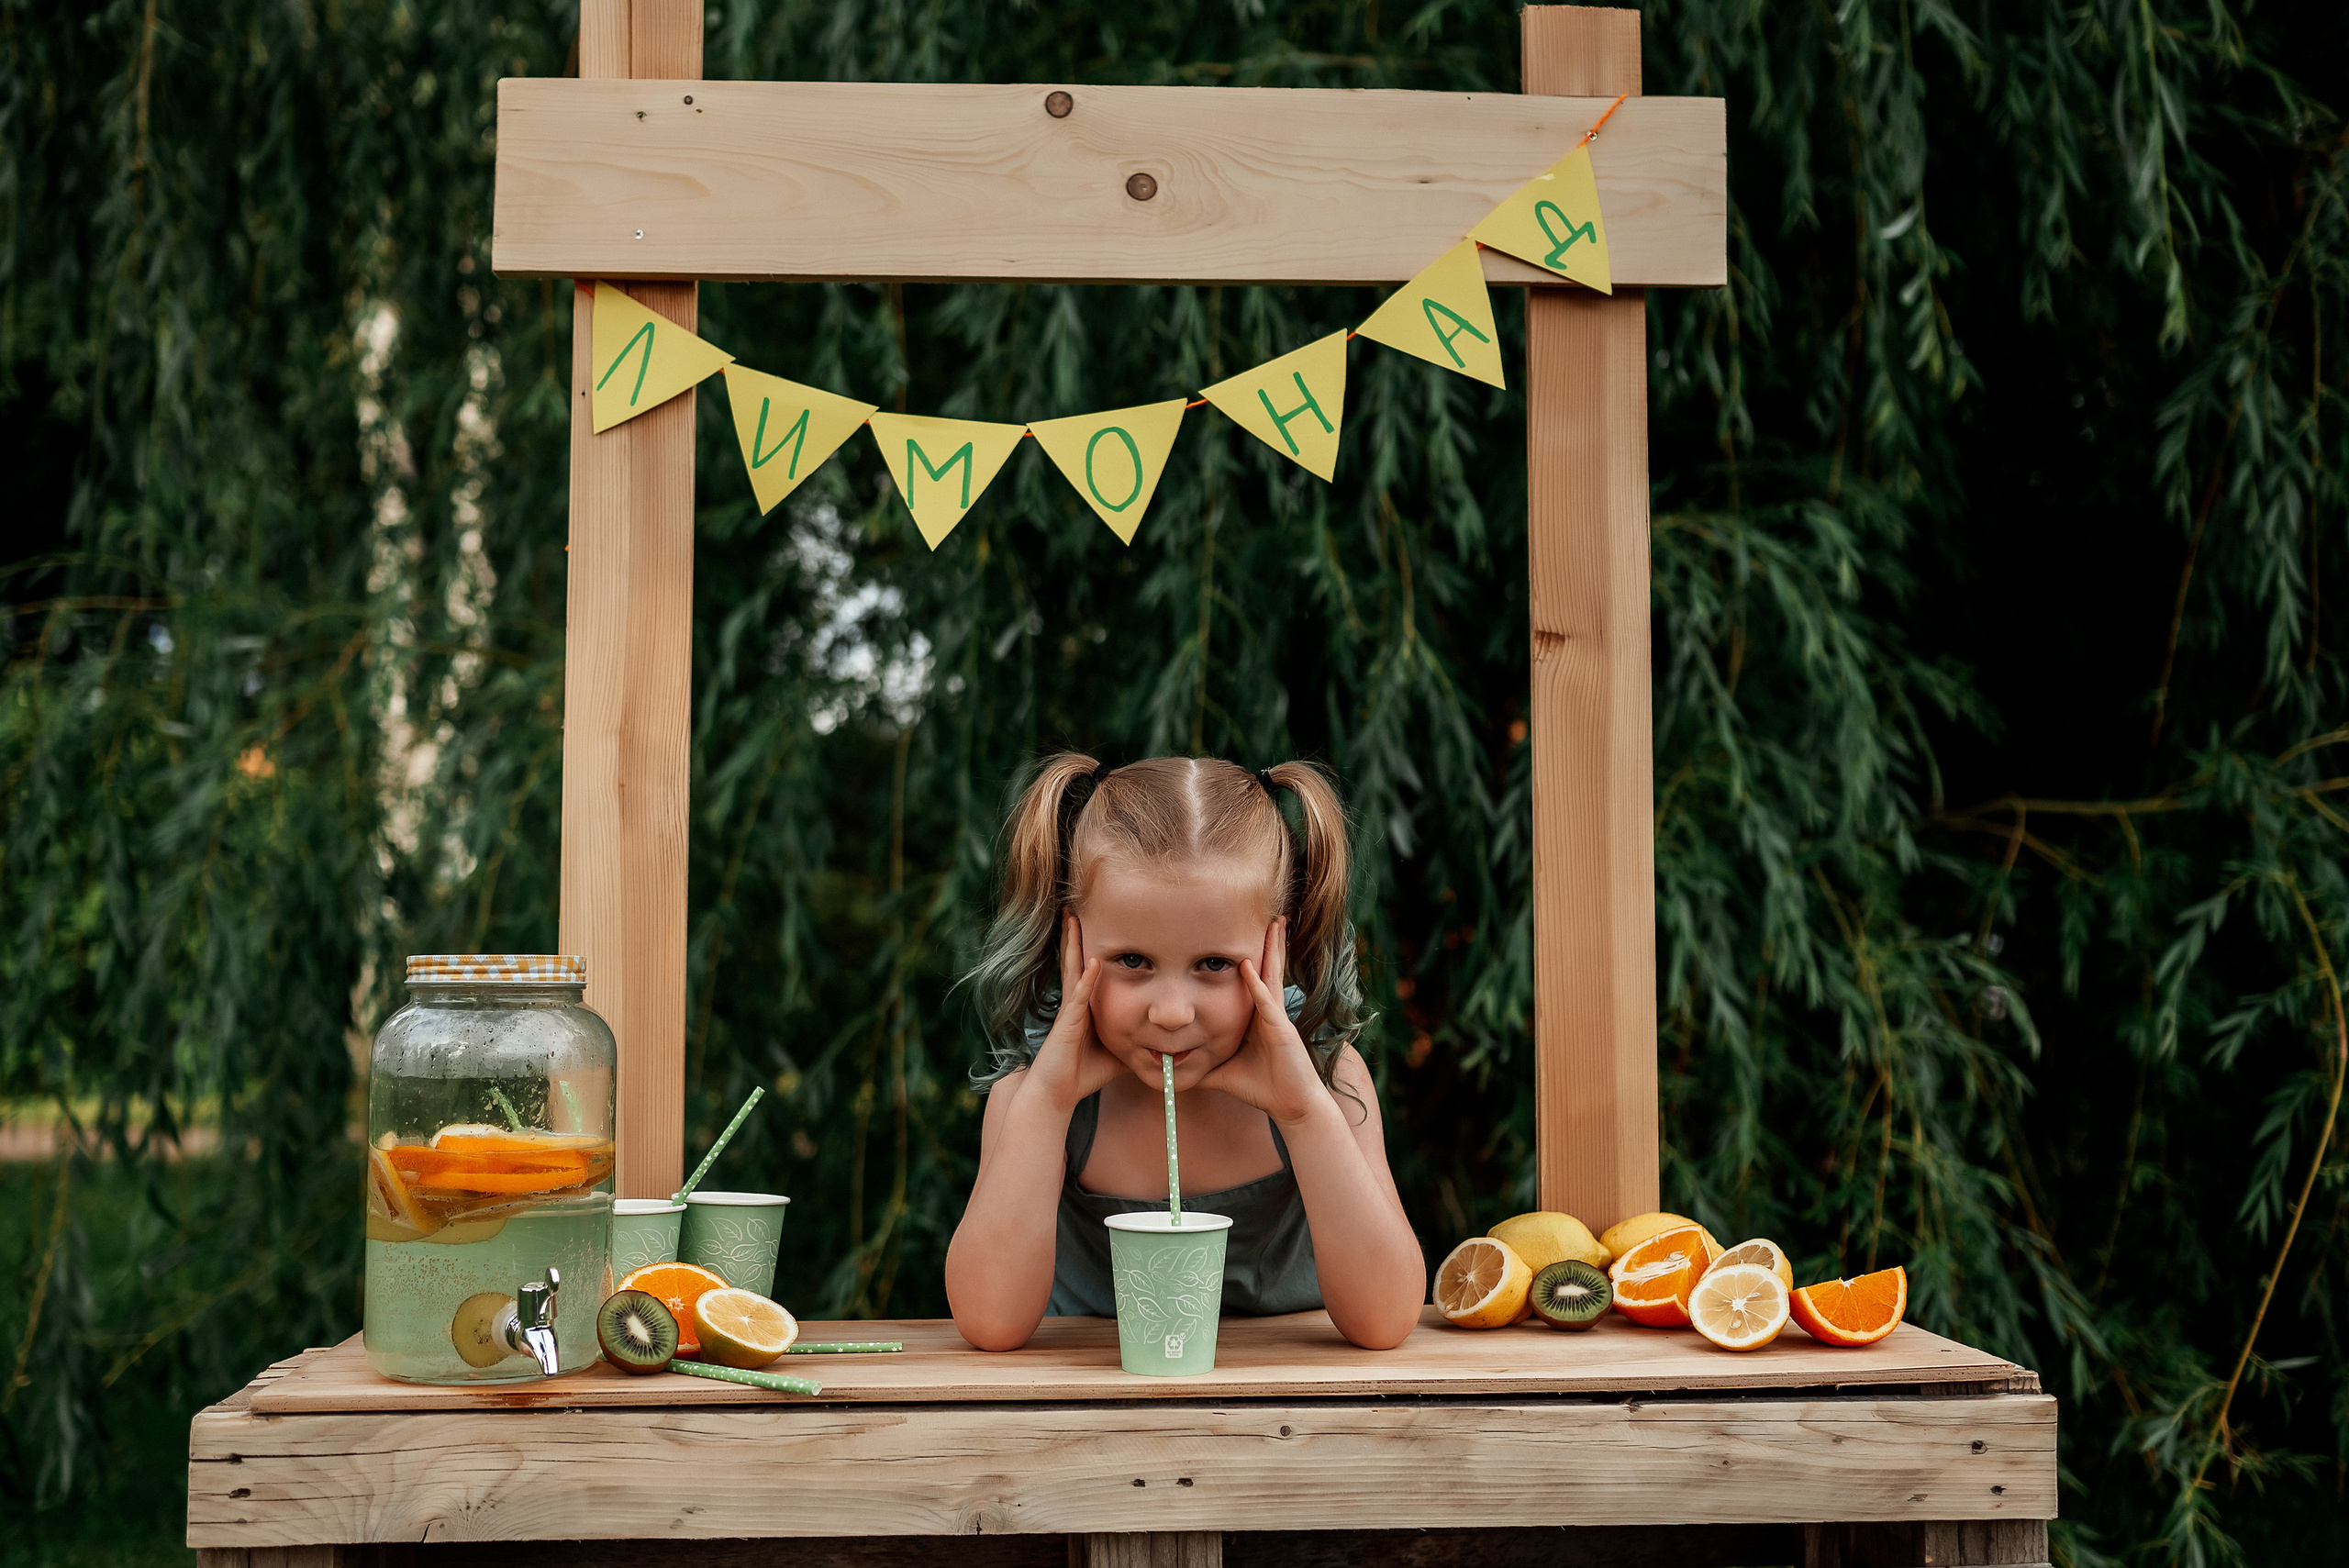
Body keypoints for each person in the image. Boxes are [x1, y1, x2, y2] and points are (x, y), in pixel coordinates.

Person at [945, 754, 1425, 1352]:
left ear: (1278, 946)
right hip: (1092, 1397)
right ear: (1073, 941)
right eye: (1133, 960)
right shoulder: (1034, 1091)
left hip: (1291, 1397)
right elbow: (990, 1323)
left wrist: (1304, 1112)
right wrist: (1048, 1102)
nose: (1172, 1012)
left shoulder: (1325, 1076)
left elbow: (1385, 1320)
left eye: (1214, 964)